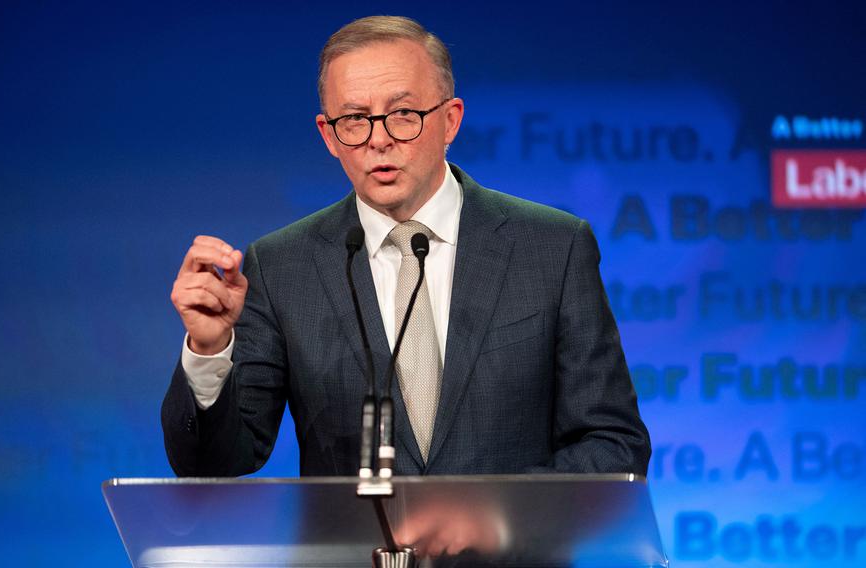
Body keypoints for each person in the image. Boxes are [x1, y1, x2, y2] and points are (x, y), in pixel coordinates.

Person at [162, 15, 650, 477]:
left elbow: (613, 445)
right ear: (327, 135)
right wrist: (209, 349)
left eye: (402, 114)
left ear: (450, 121)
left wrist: (494, 514)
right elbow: (218, 464)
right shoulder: (281, 265)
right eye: (354, 119)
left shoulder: (552, 247)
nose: (379, 140)